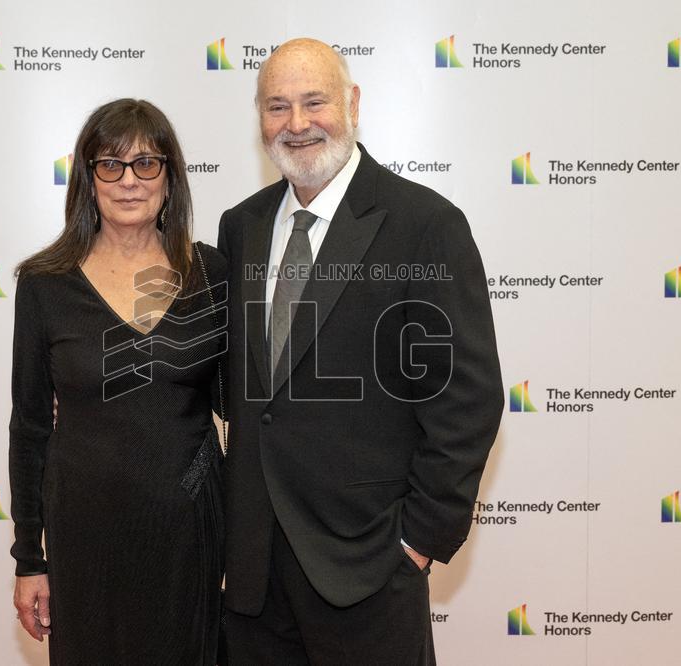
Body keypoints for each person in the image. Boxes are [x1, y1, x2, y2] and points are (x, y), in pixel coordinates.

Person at [216, 38, 504, 664]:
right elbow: (239, 384)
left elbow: (467, 400)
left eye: (314, 101)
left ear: (352, 104)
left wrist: (416, 542)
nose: (296, 123)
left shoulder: (425, 225)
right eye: (277, 106)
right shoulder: (241, 226)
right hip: (255, 578)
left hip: (368, 571)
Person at [9, 99, 226, 664]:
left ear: (170, 178)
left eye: (146, 163)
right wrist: (30, 559)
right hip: (85, 537)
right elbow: (29, 429)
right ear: (89, 179)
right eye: (111, 164)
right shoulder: (45, 284)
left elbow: (244, 410)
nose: (129, 181)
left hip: (188, 533)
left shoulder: (211, 273)